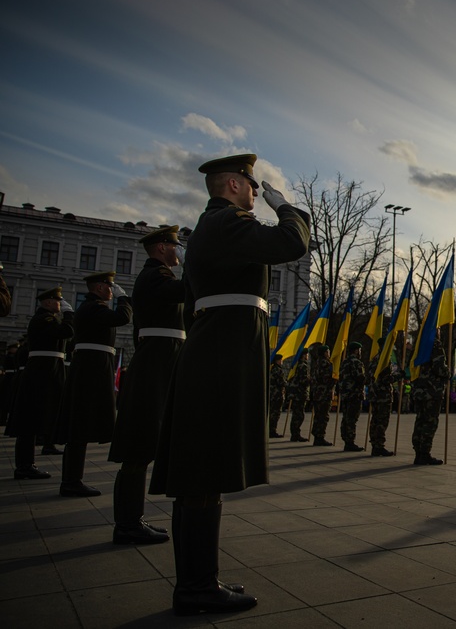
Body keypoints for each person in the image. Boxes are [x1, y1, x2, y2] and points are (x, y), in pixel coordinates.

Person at [149, 153, 309, 616]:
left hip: (217, 350)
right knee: (203, 471)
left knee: (204, 471)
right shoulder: (226, 221)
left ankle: (199, 580)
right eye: (254, 186)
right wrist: (289, 209)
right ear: (235, 185)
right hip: (220, 356)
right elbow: (290, 243)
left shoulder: (215, 228)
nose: (258, 192)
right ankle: (196, 587)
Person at [108, 226, 184, 544]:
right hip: (155, 365)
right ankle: (127, 524)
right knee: (139, 445)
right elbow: (183, 292)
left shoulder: (156, 275)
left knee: (142, 446)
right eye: (175, 245)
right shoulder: (155, 276)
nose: (178, 250)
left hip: (159, 362)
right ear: (161, 247)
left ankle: (130, 520)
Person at [57, 271, 132, 497]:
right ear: (99, 288)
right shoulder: (94, 308)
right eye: (109, 287)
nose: (111, 290)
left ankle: (72, 479)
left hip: (91, 366)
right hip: (91, 368)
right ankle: (71, 480)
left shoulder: (90, 308)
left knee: (80, 424)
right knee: (80, 425)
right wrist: (124, 299)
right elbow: (122, 317)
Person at [9, 287, 74, 479]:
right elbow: (67, 331)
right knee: (30, 421)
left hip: (44, 372)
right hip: (41, 374)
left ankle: (29, 461)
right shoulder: (44, 319)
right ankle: (24, 465)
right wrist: (70, 314)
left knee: (36, 418)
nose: (60, 305)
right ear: (47, 303)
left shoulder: (47, 319)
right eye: (57, 301)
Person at [411, 338, 449, 465]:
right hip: (432, 391)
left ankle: (418, 453)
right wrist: (448, 373)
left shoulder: (419, 344)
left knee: (420, 421)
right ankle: (424, 454)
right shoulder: (434, 344)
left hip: (419, 390)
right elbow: (439, 368)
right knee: (430, 422)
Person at [367, 337, 402, 457]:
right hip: (383, 395)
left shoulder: (375, 359)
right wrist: (398, 376)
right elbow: (386, 379)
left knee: (375, 420)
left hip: (375, 394)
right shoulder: (384, 360)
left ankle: (375, 445)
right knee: (382, 421)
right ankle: (379, 446)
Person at [338, 341, 366, 451]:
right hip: (354, 394)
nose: (360, 352)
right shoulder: (356, 362)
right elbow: (360, 378)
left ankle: (346, 439)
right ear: (356, 350)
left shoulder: (344, 362)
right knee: (352, 419)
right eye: (359, 350)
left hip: (345, 394)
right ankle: (350, 442)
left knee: (346, 417)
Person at [310, 345, 335, 446]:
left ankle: (317, 436)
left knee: (318, 415)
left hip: (317, 393)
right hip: (324, 394)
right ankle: (320, 437)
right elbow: (326, 379)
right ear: (325, 352)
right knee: (323, 416)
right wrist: (335, 379)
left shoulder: (317, 362)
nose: (329, 353)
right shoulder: (325, 363)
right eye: (328, 351)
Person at [286, 354, 311, 442]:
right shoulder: (303, 366)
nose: (307, 356)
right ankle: (296, 434)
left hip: (296, 394)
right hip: (300, 394)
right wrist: (311, 380)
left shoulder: (296, 364)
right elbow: (303, 380)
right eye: (307, 354)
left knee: (296, 415)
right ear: (303, 355)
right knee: (299, 415)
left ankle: (295, 434)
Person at [268, 354, 286, 438]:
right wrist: (287, 384)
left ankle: (270, 430)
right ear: (277, 360)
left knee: (272, 412)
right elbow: (281, 382)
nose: (282, 361)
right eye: (281, 359)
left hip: (273, 394)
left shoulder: (273, 369)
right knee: (275, 413)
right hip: (277, 394)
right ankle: (272, 431)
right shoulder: (278, 370)